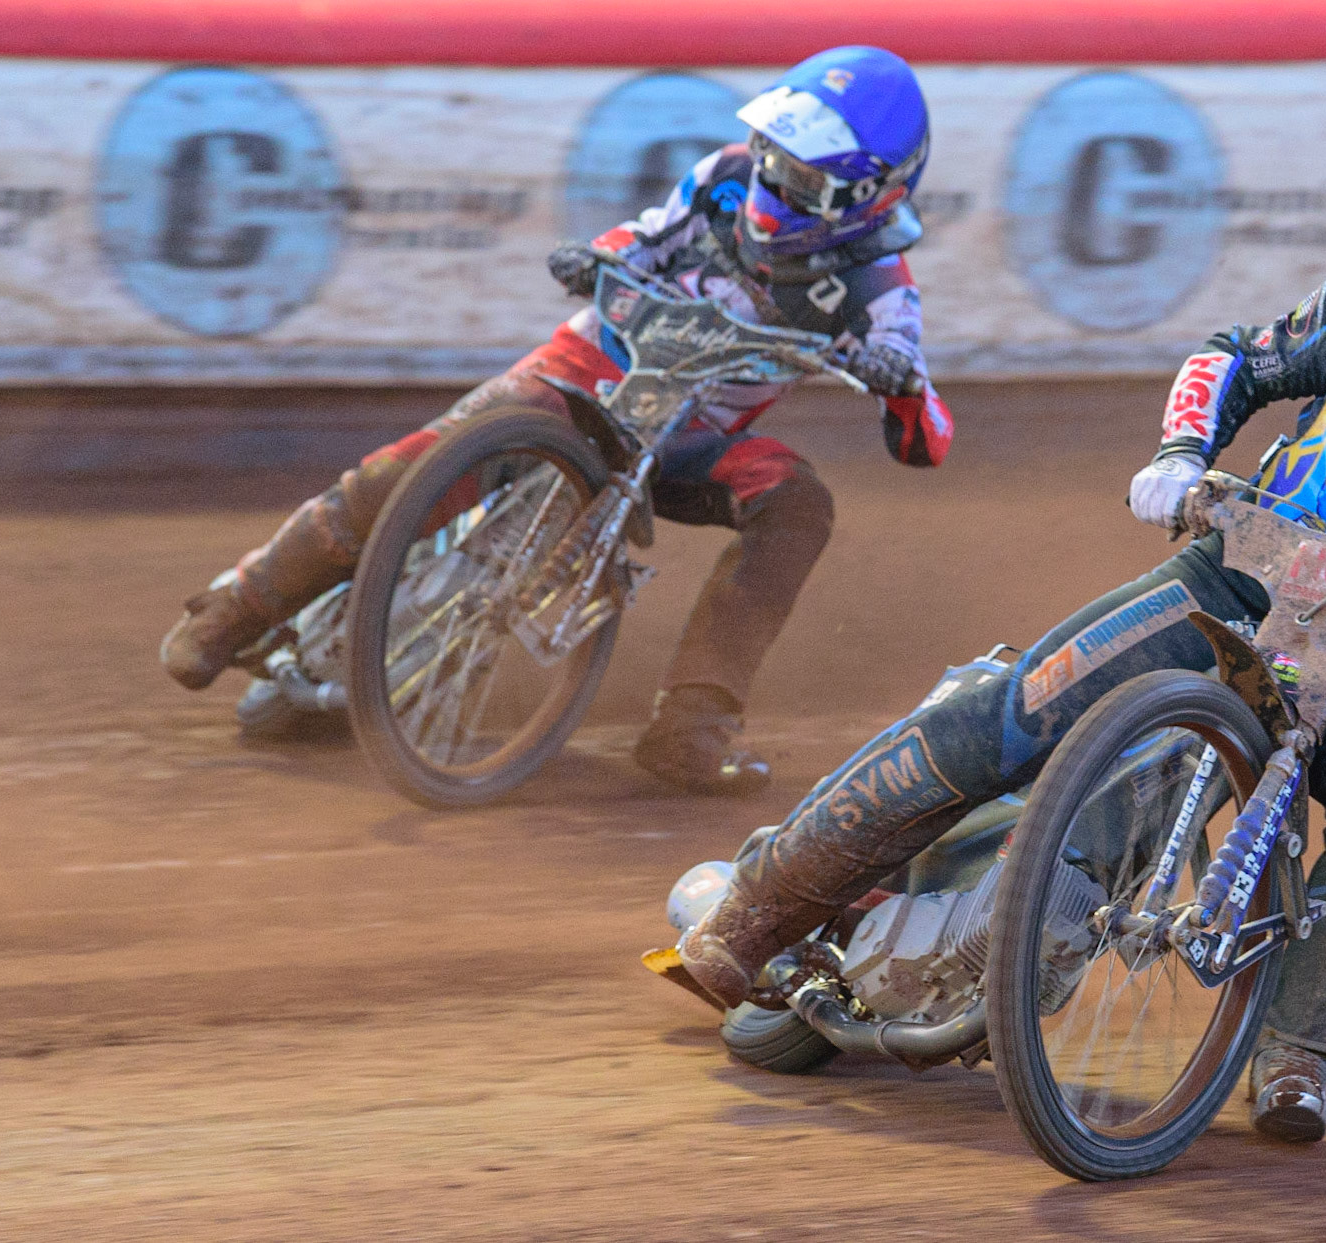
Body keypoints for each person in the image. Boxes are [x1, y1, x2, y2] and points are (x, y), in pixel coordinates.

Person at [673, 176, 1326, 1138]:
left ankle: (1299, 1049)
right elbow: (1234, 359)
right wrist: (1179, 457)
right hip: (1227, 577)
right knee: (1010, 712)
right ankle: (758, 912)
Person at [159, 46, 954, 796]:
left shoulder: (880, 287)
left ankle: (694, 724)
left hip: (691, 437)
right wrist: (595, 255)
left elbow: (928, 430)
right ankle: (238, 607)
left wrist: (902, 383)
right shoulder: (725, 177)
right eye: (774, 155)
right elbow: (642, 239)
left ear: (867, 195)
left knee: (798, 502)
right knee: (422, 464)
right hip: (583, 374)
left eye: (801, 177)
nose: (773, 184)